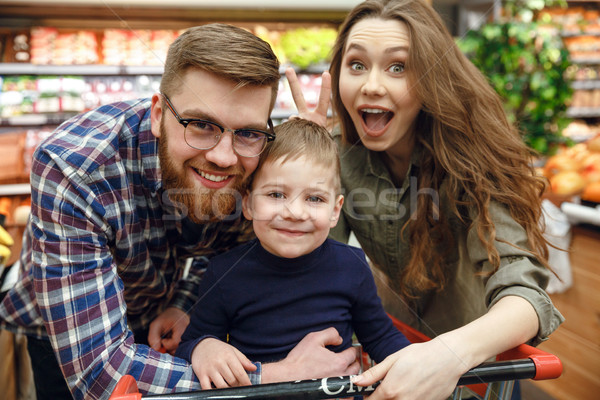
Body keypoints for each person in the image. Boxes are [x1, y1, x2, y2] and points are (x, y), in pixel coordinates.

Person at [0, 24, 360, 400]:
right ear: (159, 114)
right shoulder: (76, 168)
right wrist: (278, 377)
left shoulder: (255, 157)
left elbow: (226, 252)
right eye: (201, 125)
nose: (224, 156)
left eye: (248, 132)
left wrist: (186, 302)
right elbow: (100, 374)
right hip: (73, 333)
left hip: (168, 319)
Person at [286, 0, 565, 399]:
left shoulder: (473, 158)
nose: (372, 85)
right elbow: (311, 265)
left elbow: (523, 294)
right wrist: (304, 165)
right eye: (357, 65)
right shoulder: (340, 156)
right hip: (388, 350)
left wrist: (446, 354)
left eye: (398, 67)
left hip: (473, 370)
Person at [174, 118, 411, 389]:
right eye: (276, 194)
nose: (295, 213)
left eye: (314, 199)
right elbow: (190, 345)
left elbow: (380, 337)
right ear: (249, 204)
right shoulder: (224, 273)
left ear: (335, 210)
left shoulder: (352, 266)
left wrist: (418, 365)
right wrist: (203, 347)